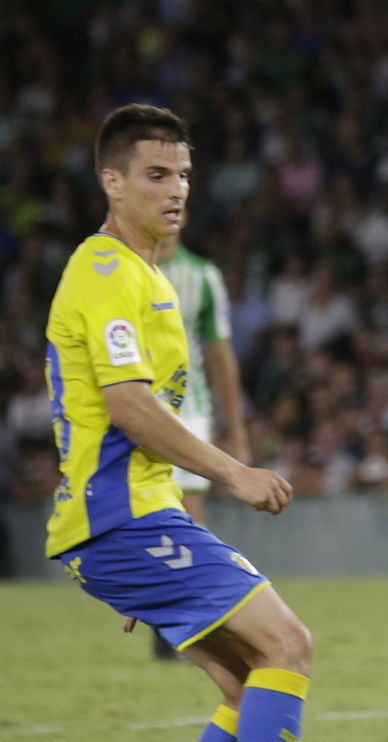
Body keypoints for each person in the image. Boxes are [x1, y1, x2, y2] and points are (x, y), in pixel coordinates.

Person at [44, 104, 357, 742]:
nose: (177, 189)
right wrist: (234, 474)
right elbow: (129, 407)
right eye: (156, 174)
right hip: (124, 521)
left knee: (248, 679)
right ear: (111, 182)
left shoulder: (145, 274)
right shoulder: (108, 271)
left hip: (131, 524)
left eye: (184, 173)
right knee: (287, 643)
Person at [147, 214, 250, 660]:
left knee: (188, 520)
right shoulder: (128, 270)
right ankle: (169, 615)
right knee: (151, 516)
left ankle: (186, 626)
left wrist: (237, 428)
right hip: (142, 411)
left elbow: (220, 355)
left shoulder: (204, 277)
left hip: (191, 411)